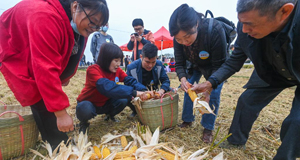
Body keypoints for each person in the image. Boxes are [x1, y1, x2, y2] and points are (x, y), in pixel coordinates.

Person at [193, 0, 300, 159]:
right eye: (241, 23)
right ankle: (235, 141)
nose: (243, 30)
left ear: (284, 12)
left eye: (250, 24)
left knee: (296, 122)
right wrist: (210, 83)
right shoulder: (245, 29)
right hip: (270, 71)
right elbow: (234, 60)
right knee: (246, 101)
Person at [0, 0, 109, 149]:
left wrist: (65, 76)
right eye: (93, 22)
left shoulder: (76, 20)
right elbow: (45, 69)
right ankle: (58, 144)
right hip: (13, 42)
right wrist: (60, 113)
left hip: (37, 39)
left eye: (98, 26)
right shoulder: (45, 17)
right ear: (76, 6)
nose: (94, 29)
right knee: (36, 89)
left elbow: (72, 49)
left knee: (46, 87)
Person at [169, 4, 228, 143]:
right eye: (179, 39)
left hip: (214, 66)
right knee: (189, 88)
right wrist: (183, 79)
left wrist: (209, 86)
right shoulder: (178, 38)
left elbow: (220, 65)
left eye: (187, 36)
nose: (184, 42)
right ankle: (187, 119)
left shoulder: (214, 30)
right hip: (195, 64)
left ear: (196, 24)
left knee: (213, 93)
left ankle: (208, 127)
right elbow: (179, 63)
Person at [76, 43, 149, 133]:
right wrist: (135, 92)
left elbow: (130, 80)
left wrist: (144, 90)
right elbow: (106, 86)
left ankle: (110, 115)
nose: (119, 64)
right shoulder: (93, 70)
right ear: (106, 59)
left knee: (124, 99)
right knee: (85, 109)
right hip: (90, 103)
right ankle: (84, 122)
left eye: (120, 61)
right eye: (116, 60)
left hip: (105, 103)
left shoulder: (117, 70)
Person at [126, 43, 171, 116]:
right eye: (147, 62)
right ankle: (136, 110)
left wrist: (161, 91)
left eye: (153, 62)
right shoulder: (131, 68)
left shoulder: (159, 65)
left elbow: (166, 80)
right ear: (141, 57)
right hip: (139, 95)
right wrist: (143, 91)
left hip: (154, 95)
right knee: (127, 94)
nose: (150, 65)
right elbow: (129, 85)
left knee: (169, 89)